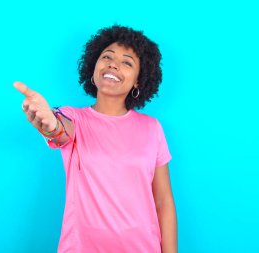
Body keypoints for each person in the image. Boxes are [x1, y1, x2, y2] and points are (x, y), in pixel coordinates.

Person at [14, 25, 177, 253]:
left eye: (127, 62)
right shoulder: (73, 118)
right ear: (93, 68)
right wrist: (49, 124)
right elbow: (60, 130)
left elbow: (163, 202)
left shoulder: (152, 128)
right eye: (107, 57)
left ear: (138, 81)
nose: (113, 64)